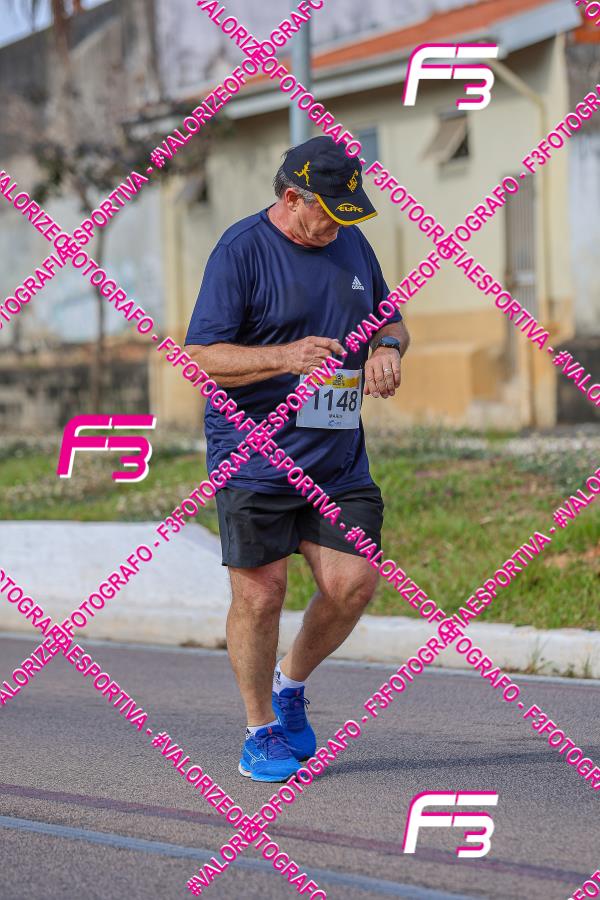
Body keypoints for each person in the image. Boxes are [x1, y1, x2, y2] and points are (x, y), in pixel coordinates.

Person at [185, 135, 410, 782]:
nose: (339, 225)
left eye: (348, 212)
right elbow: (199, 357)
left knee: (353, 583)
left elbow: (391, 320)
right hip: (255, 458)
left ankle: (291, 685)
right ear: (291, 198)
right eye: (330, 211)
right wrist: (284, 357)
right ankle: (259, 732)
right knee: (261, 596)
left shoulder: (351, 244)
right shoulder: (241, 251)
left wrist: (386, 348)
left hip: (336, 460)